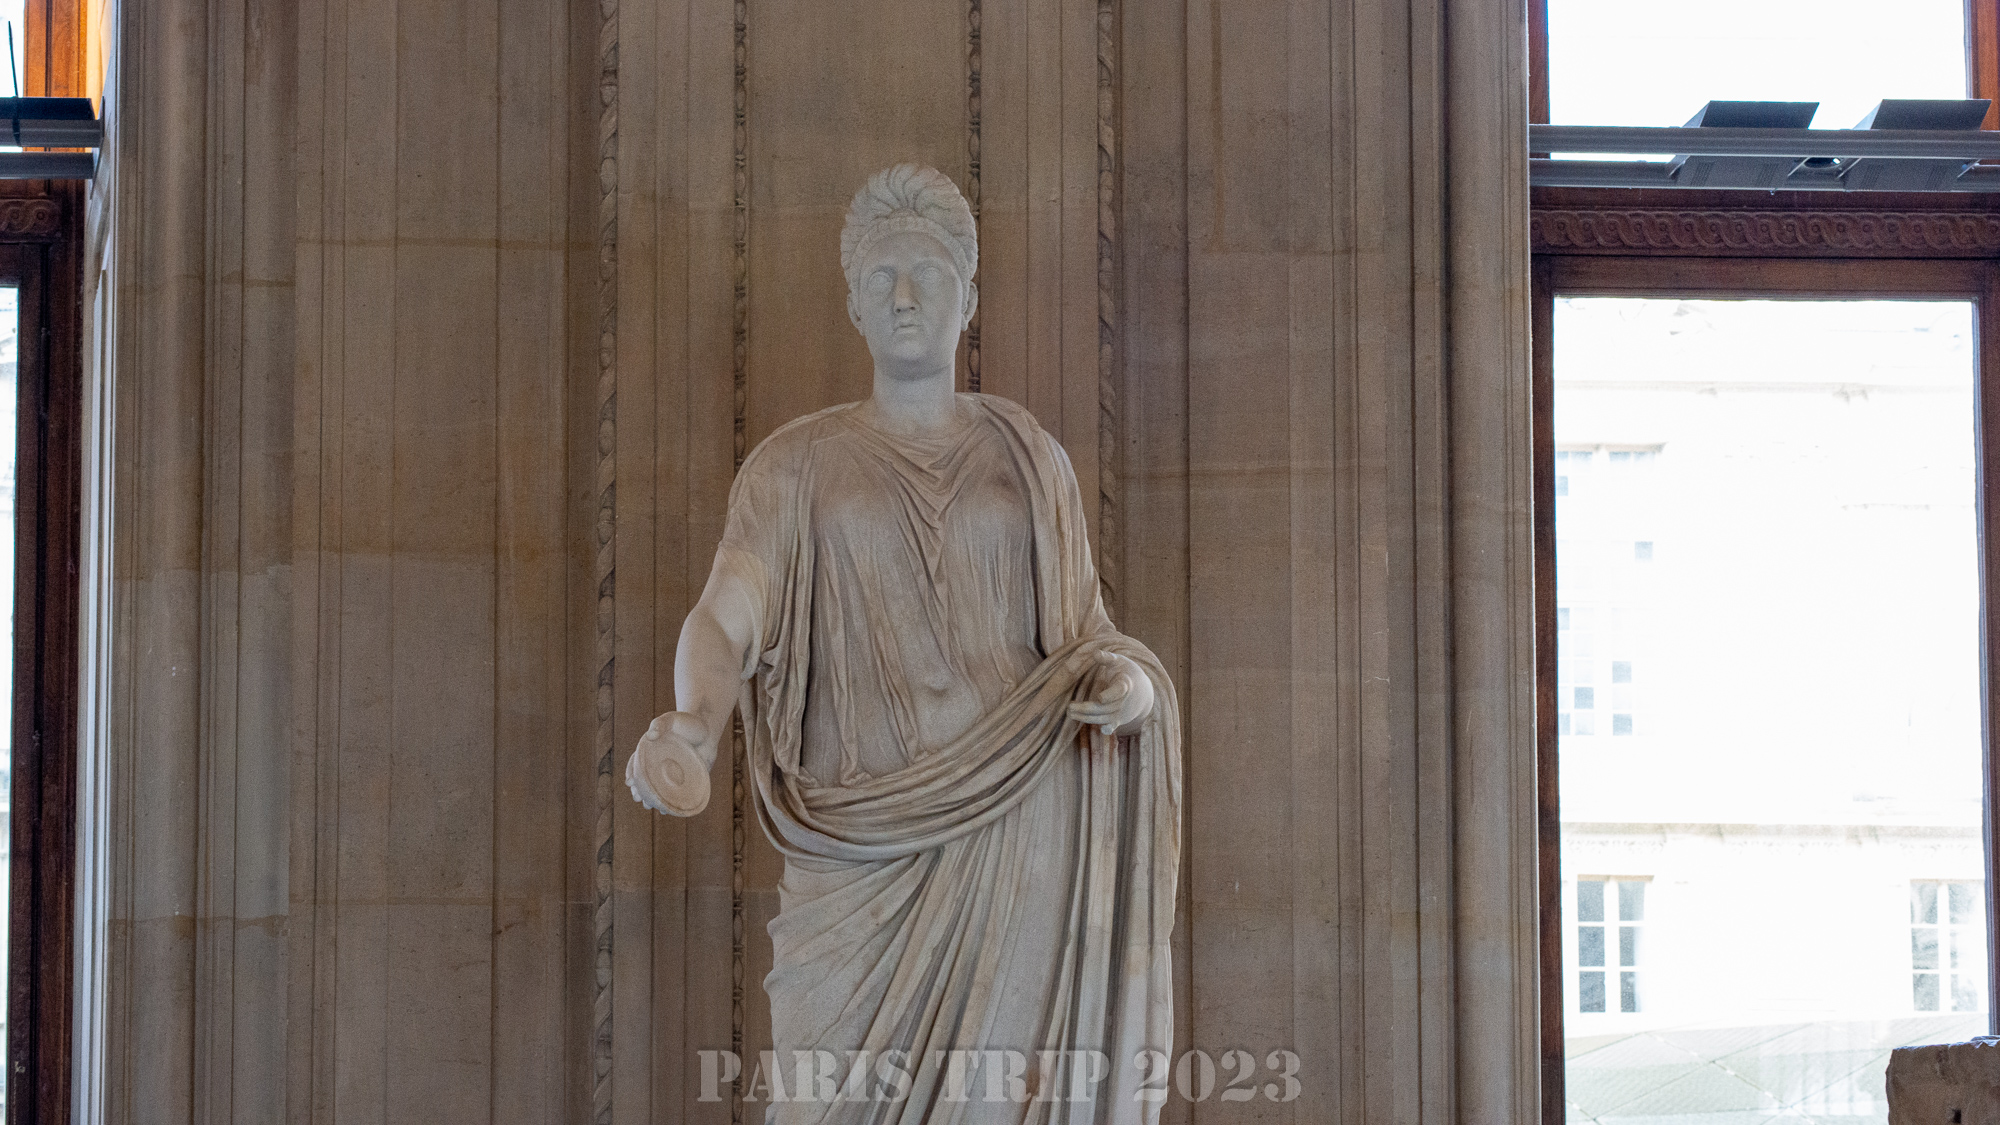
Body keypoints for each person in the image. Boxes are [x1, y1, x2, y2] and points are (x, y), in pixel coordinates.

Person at [626, 163, 1181, 1125]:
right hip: (857, 846)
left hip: (1019, 818)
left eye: (929, 273)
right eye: (882, 276)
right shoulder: (794, 465)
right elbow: (723, 615)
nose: (907, 296)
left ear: (969, 294)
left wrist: (1127, 689)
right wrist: (695, 723)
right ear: (853, 303)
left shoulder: (1029, 457)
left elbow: (1085, 636)